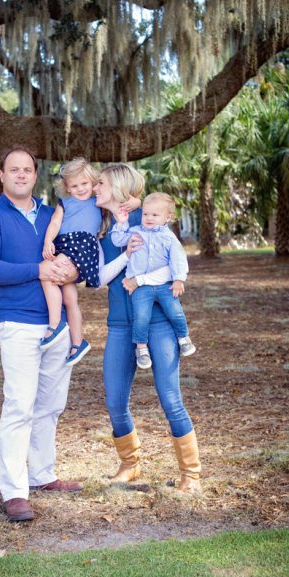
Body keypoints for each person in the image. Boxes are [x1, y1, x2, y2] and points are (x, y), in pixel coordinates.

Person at [0, 146, 83, 524]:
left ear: (35, 176)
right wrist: (37, 270)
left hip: (58, 324)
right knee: (20, 404)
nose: (21, 175)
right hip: (17, 322)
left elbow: (76, 259)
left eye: (28, 170)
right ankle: (14, 491)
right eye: (13, 170)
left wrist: (70, 273)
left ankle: (42, 474)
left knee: (51, 404)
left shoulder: (54, 215)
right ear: (1, 175)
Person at [93, 164, 202, 494]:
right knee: (114, 401)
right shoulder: (103, 232)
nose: (95, 188)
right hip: (119, 325)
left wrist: (136, 205)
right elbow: (99, 279)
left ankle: (191, 475)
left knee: (170, 399)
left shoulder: (149, 224)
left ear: (120, 188)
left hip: (158, 323)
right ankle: (130, 464)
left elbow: (155, 208)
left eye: (101, 183)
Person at [111, 191, 196, 370]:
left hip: (165, 286)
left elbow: (178, 258)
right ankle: (141, 348)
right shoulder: (135, 232)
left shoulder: (169, 237)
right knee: (141, 316)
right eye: (145, 214)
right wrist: (120, 223)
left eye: (155, 215)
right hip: (141, 288)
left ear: (168, 217)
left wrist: (179, 279)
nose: (149, 218)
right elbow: (117, 239)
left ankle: (184, 338)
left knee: (175, 311)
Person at [40, 158, 102, 366]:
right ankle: (78, 342)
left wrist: (135, 202)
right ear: (67, 187)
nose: (80, 189)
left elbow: (124, 198)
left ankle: (55, 324)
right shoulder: (65, 203)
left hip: (82, 244)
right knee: (70, 298)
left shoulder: (98, 200)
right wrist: (48, 240)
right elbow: (55, 222)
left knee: (49, 274)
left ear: (93, 181)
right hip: (65, 244)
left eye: (84, 183)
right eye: (74, 186)